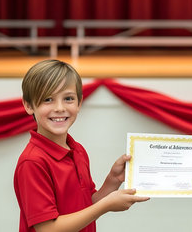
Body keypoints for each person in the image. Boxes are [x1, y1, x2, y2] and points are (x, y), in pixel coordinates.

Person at [14, 59, 149, 232]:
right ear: (28, 105)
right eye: (48, 99)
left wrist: (112, 181)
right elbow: (47, 228)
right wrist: (105, 206)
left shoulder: (77, 150)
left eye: (68, 98)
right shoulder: (32, 162)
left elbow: (87, 206)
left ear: (79, 103)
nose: (60, 108)